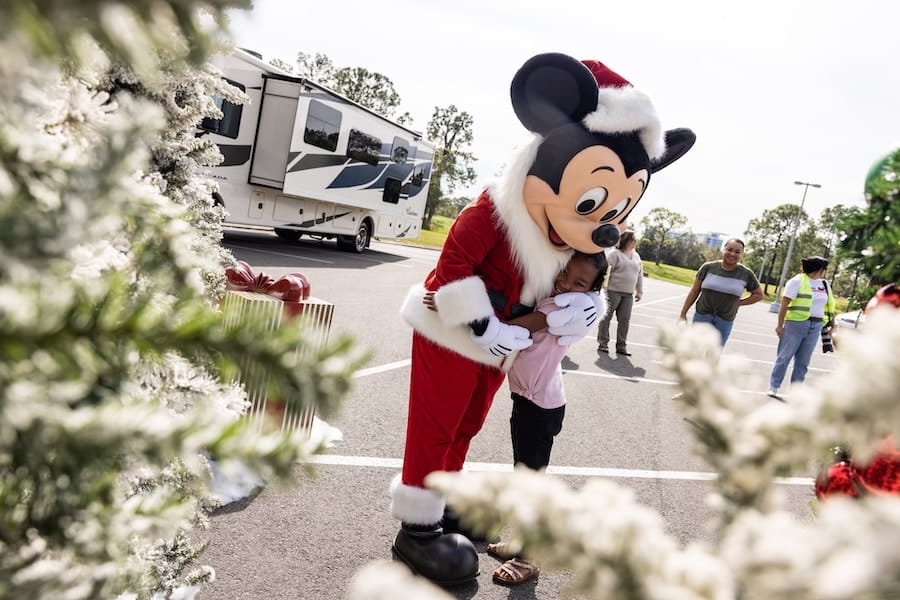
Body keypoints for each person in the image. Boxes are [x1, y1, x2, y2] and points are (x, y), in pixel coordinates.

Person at [390, 53, 696, 586]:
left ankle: (443, 502)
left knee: (466, 425)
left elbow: (559, 293)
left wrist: (573, 312)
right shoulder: (493, 210)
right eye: (596, 201)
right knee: (435, 428)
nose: (604, 224)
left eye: (615, 209)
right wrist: (487, 328)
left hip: (499, 344)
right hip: (453, 333)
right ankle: (415, 533)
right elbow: (450, 274)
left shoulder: (562, 240)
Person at [425, 252, 609, 586]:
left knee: (530, 482)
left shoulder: (561, 309)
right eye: (565, 273)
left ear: (593, 289)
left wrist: (454, 309)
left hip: (541, 406)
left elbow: (508, 328)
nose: (566, 283)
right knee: (523, 475)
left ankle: (530, 557)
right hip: (528, 399)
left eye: (579, 283)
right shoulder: (554, 296)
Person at [766, 256, 835, 399]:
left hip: (816, 326)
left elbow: (830, 305)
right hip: (795, 324)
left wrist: (832, 325)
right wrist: (779, 325)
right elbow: (784, 304)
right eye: (824, 269)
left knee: (803, 362)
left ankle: (795, 392)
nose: (824, 272)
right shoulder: (796, 281)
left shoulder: (825, 285)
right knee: (784, 357)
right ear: (819, 269)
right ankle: (774, 386)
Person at [678, 238, 763, 346]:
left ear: (742, 254)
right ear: (724, 250)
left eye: (737, 252)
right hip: (702, 315)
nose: (732, 254)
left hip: (725, 320)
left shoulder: (746, 274)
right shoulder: (708, 267)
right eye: (729, 250)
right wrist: (683, 313)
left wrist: (739, 303)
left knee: (714, 354)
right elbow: (694, 291)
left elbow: (759, 295)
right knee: (695, 350)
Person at [597, 230, 643, 356]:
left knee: (624, 321)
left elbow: (639, 275)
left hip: (628, 294)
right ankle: (603, 343)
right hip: (613, 291)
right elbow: (604, 270)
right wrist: (601, 287)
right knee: (606, 318)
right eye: (632, 240)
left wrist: (640, 291)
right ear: (625, 240)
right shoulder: (615, 254)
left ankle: (621, 346)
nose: (635, 242)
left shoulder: (636, 256)